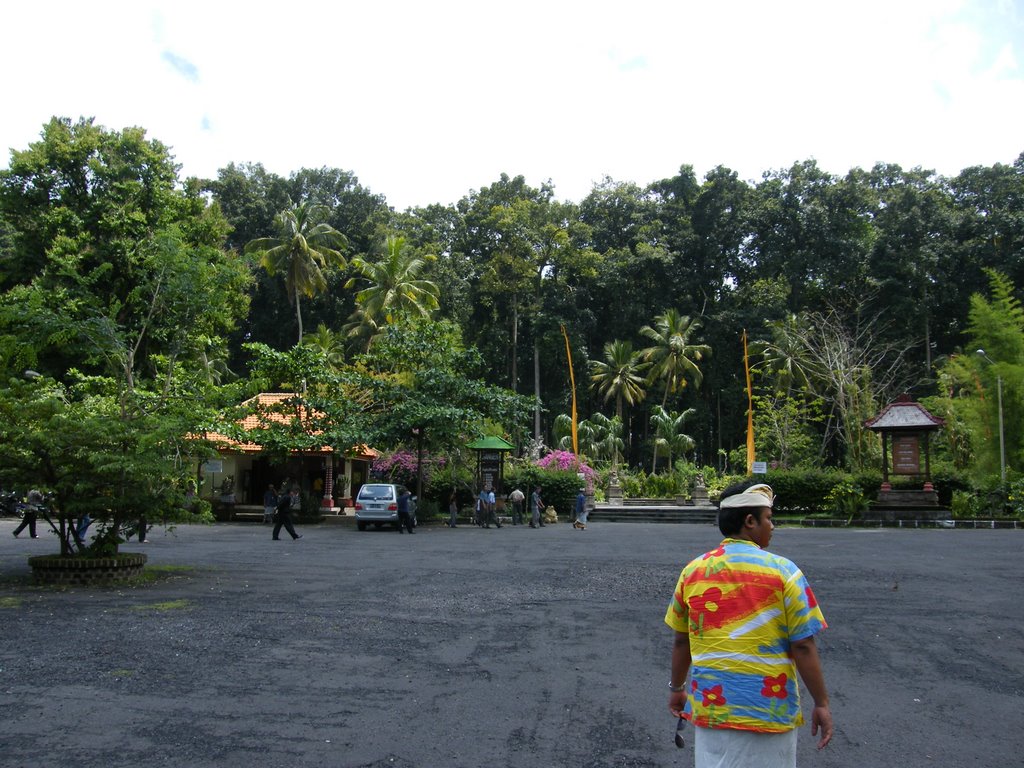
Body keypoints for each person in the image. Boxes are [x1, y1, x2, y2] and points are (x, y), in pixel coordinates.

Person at [664, 481, 833, 767]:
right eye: (768, 517)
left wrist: (677, 687)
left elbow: (682, 640)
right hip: (768, 710)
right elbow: (803, 645)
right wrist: (822, 703)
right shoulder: (784, 572)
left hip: (713, 708)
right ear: (750, 521)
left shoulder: (693, 572)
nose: (773, 525)